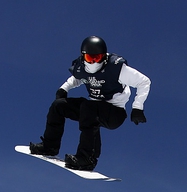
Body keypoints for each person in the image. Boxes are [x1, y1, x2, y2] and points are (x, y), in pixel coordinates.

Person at [29, 36, 151, 171]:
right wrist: (64, 89)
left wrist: (137, 107)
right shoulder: (81, 66)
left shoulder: (116, 68)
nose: (93, 63)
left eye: (97, 58)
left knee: (88, 107)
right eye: (89, 59)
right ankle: (49, 146)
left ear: (104, 57)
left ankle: (87, 158)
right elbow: (77, 78)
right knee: (58, 105)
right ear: (83, 56)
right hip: (92, 110)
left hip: (114, 113)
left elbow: (144, 82)